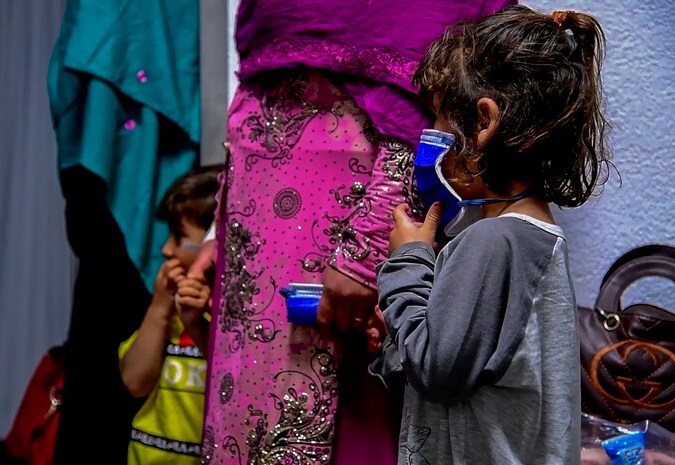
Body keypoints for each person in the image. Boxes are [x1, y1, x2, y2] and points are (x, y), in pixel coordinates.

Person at [198, 1, 515, 464]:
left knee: (333, 409)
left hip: (343, 208)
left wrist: (370, 242)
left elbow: (431, 75)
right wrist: (222, 227)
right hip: (260, 207)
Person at [368, 6, 613, 465]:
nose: (432, 136)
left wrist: (409, 261)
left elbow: (438, 369)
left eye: (440, 120)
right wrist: (398, 329)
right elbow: (461, 359)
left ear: (483, 123)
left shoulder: (493, 242)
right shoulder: (534, 237)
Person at [119, 165, 221, 465]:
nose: (166, 250)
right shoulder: (168, 311)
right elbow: (135, 382)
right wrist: (160, 307)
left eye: (179, 236)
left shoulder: (238, 318)